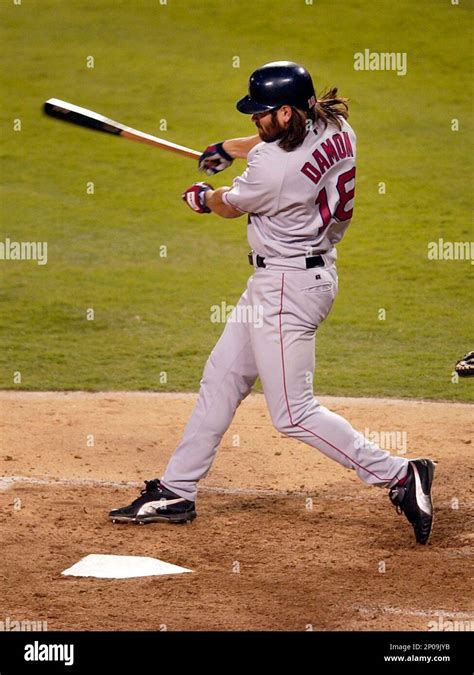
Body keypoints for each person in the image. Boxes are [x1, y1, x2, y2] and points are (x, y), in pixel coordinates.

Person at [109, 61, 435, 544]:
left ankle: (400, 475)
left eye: (261, 113)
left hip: (288, 288)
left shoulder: (271, 172)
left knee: (294, 413)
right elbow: (268, 149)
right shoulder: (334, 124)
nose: (253, 122)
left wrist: (201, 195)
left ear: (286, 112)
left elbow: (225, 203)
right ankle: (177, 490)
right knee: (222, 376)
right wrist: (226, 150)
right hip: (299, 276)